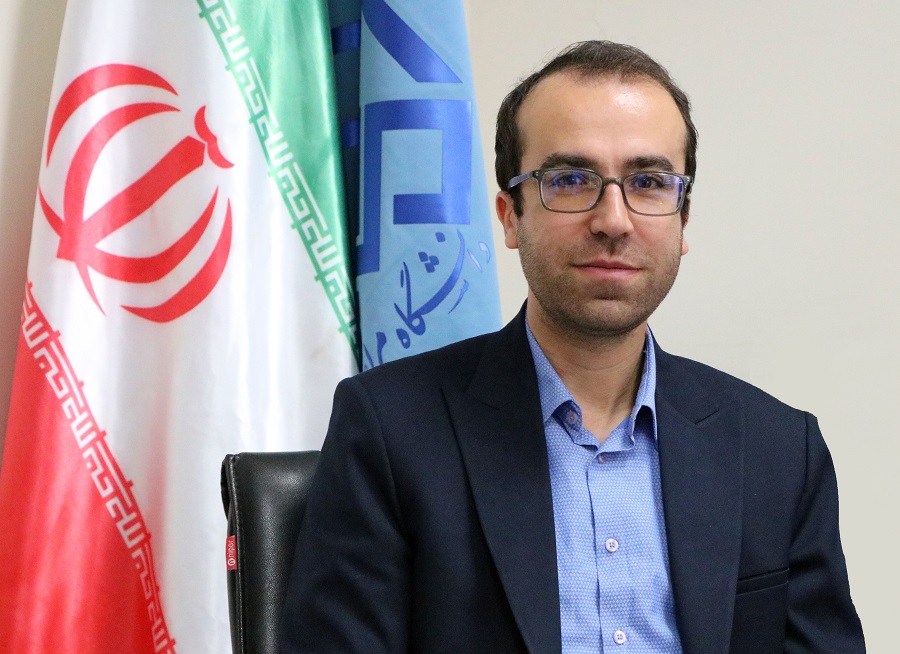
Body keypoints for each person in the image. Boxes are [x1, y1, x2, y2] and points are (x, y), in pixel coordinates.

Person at [280, 40, 865, 653]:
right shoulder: (390, 430)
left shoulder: (779, 451)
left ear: (683, 220)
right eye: (570, 180)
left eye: (648, 182)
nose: (613, 219)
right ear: (510, 216)